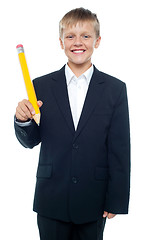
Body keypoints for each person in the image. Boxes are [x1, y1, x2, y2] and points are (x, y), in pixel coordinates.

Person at [14, 7, 130, 240]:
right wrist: (22, 120)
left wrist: (116, 199)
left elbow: (119, 149)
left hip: (93, 200)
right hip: (51, 199)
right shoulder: (41, 86)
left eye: (86, 36)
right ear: (61, 42)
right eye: (70, 36)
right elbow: (31, 141)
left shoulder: (115, 89)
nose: (78, 42)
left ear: (97, 41)